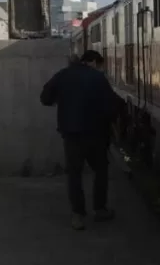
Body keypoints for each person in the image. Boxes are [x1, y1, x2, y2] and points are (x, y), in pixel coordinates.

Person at [40, 49, 126, 231]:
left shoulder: (62, 75)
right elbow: (113, 106)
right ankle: (100, 209)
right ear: (93, 62)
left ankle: (77, 215)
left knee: (74, 175)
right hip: (96, 134)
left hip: (72, 135)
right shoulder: (98, 78)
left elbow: (45, 98)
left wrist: (60, 101)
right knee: (101, 171)